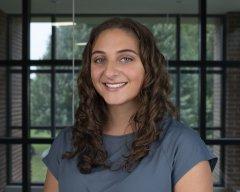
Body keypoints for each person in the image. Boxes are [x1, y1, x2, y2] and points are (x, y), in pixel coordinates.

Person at [42, 17, 218, 192]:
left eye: (125, 59)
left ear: (148, 67)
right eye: (99, 60)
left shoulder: (183, 146)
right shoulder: (66, 142)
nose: (109, 72)